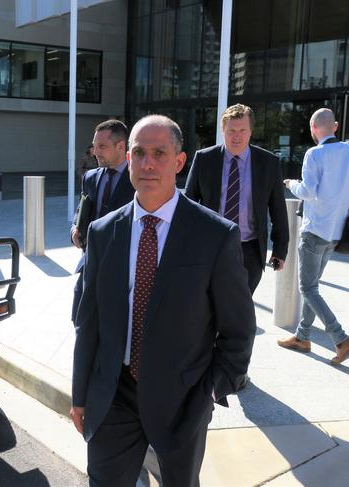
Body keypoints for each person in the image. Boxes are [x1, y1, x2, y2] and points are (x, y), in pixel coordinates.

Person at [71, 115, 256, 487]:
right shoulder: (103, 232)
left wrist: (211, 390)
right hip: (114, 395)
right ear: (128, 161)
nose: (148, 163)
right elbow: (88, 321)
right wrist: (80, 394)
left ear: (179, 162)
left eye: (159, 153)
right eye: (139, 153)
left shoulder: (214, 235)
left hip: (183, 398)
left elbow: (238, 329)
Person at [185, 103, 289, 294]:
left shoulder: (268, 163)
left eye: (242, 130)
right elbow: (188, 204)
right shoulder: (204, 159)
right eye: (231, 130)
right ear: (223, 129)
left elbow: (278, 209)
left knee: (240, 310)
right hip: (211, 247)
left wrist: (280, 249)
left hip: (249, 250)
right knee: (209, 304)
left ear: (251, 131)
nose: (237, 136)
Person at [279, 108, 349, 364]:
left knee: (307, 288)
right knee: (313, 287)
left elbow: (307, 191)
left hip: (315, 229)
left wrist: (290, 184)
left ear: (312, 129)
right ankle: (302, 336)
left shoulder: (314, 154)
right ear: (336, 126)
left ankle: (341, 338)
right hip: (336, 233)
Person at [70, 119, 135, 322]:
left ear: (121, 146)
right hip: (89, 262)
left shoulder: (138, 179)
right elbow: (81, 210)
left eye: (102, 146)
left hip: (123, 268)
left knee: (114, 323)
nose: (95, 151)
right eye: (94, 145)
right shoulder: (90, 177)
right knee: (80, 318)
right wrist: (74, 229)